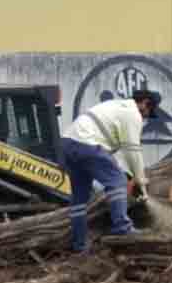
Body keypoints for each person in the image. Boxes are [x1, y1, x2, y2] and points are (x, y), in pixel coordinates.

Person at [60, 90, 160, 252]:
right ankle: (122, 227)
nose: (145, 117)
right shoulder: (132, 113)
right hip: (87, 143)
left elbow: (109, 155)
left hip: (68, 144)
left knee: (79, 199)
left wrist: (128, 174)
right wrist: (140, 180)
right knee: (118, 181)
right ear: (145, 103)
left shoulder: (116, 107)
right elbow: (133, 150)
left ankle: (79, 244)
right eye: (148, 112)